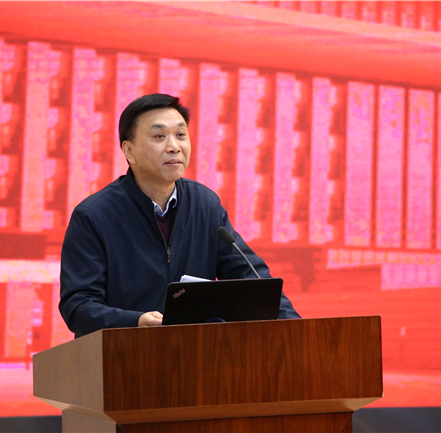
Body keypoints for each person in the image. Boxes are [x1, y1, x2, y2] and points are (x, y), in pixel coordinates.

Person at [59, 93, 300, 337]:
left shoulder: (205, 205)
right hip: (123, 350)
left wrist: (297, 330)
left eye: (181, 135)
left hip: (193, 351)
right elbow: (78, 306)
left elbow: (252, 280)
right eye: (159, 136)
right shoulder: (95, 216)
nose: (174, 146)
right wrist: (136, 321)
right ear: (129, 151)